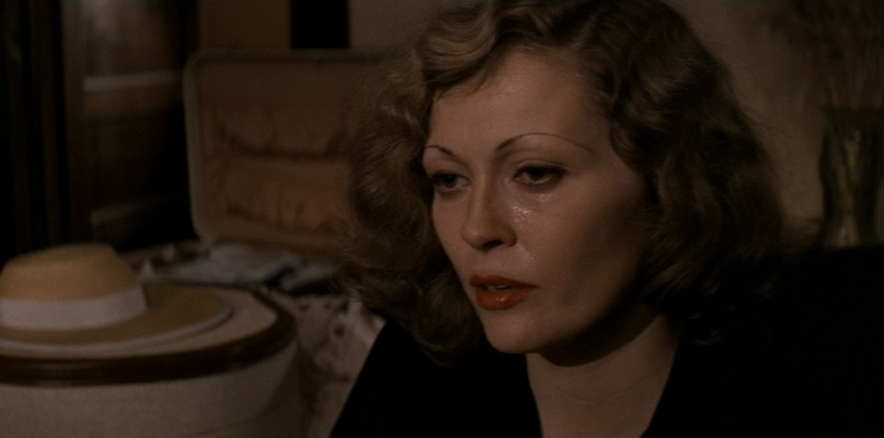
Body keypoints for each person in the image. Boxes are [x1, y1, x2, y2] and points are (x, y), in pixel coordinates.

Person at [332, 1, 883, 437]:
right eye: (449, 180)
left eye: (535, 173)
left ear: (667, 182)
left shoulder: (801, 386)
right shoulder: (417, 374)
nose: (477, 229)